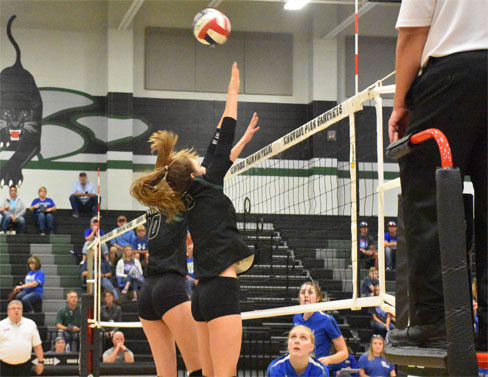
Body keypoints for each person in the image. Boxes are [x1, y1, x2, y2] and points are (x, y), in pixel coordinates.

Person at [130, 62, 259, 377]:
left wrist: (241, 143)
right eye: (196, 163)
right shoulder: (208, 184)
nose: (202, 162)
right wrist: (232, 89)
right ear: (193, 173)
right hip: (220, 288)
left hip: (201, 293)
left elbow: (219, 154)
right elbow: (222, 134)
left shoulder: (186, 195)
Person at [387, 0, 487, 350]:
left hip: (452, 75)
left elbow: (413, 31)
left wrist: (401, 102)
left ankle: (434, 321)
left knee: (427, 200)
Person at [293, 281, 348, 371]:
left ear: (318, 298)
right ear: (299, 297)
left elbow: (344, 352)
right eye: (303, 292)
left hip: (318, 370)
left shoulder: (326, 320)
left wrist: (328, 360)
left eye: (310, 292)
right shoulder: (296, 317)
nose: (306, 295)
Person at [0, 300, 44, 376]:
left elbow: (37, 345)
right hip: (4, 366)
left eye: (19, 308)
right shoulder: (1, 325)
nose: (16, 310)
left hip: (24, 366)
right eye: (13, 308)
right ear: (8, 311)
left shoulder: (30, 324)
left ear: (22, 310)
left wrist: (40, 362)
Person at [185, 232, 197, 298]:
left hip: (198, 280)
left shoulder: (197, 260)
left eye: (192, 248)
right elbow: (185, 274)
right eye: (189, 248)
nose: (191, 249)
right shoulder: (185, 261)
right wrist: (193, 280)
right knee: (189, 282)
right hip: (190, 281)